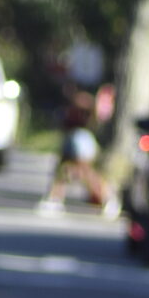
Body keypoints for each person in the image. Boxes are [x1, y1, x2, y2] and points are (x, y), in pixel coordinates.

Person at [41, 87, 118, 216]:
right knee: (70, 171)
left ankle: (107, 199)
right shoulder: (83, 110)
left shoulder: (81, 107)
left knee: (83, 172)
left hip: (80, 142)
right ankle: (55, 199)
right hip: (80, 142)